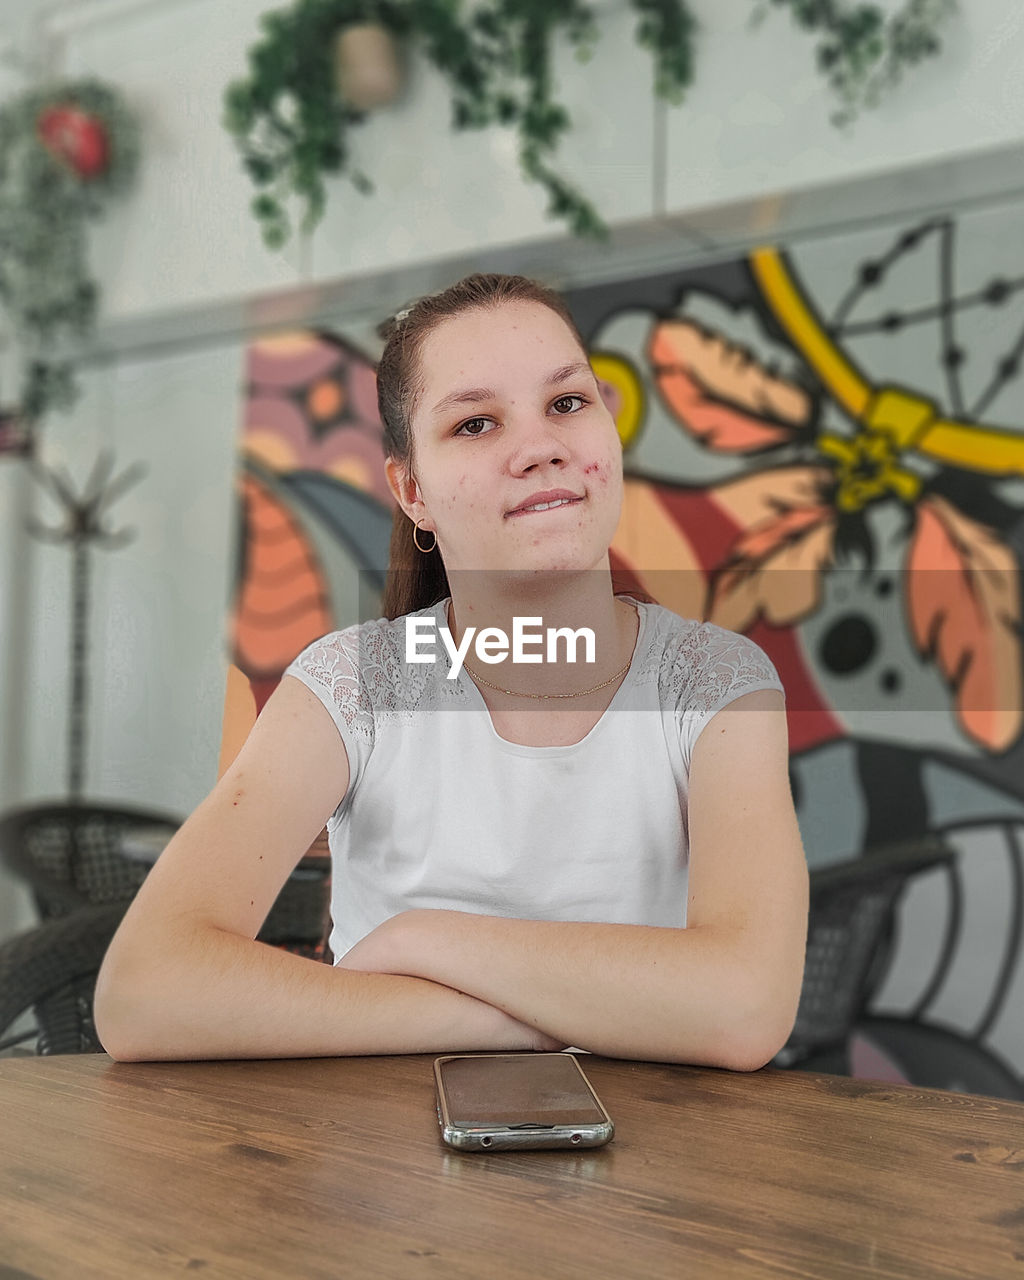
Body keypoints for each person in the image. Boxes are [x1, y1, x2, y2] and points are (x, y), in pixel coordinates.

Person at [95, 272, 808, 1068]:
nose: (540, 447)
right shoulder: (353, 684)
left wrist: (425, 939)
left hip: (656, 1172)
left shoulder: (715, 683)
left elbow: (744, 1008)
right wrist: (545, 1021)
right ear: (412, 492)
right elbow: (143, 991)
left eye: (567, 403)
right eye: (475, 424)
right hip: (386, 1170)